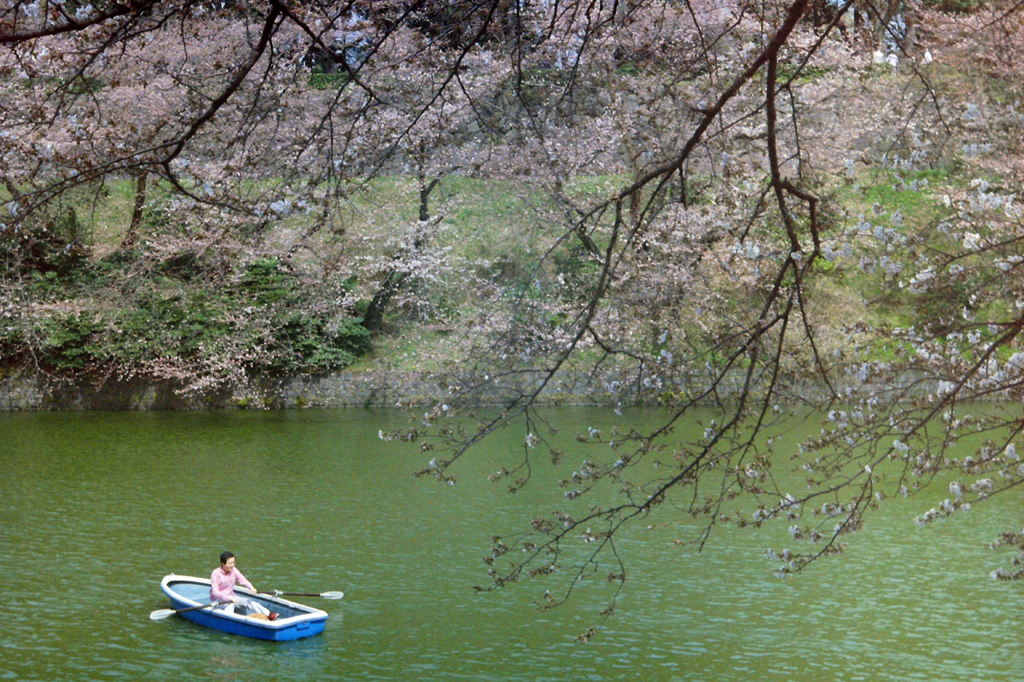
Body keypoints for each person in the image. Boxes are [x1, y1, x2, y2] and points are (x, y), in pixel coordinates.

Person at [210, 551, 279, 621]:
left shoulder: (233, 570)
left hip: (232, 597)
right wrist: (229, 599)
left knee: (248, 601)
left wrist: (251, 587)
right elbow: (215, 592)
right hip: (219, 600)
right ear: (223, 563)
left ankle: (269, 614)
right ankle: (230, 621)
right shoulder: (215, 573)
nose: (232, 565)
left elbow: (242, 579)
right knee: (230, 605)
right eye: (230, 563)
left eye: (233, 562)